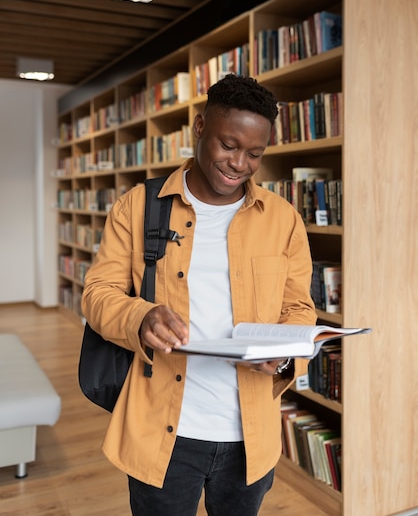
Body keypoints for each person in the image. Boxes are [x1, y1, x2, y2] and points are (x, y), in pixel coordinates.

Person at [82, 73, 316, 516]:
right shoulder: (138, 205)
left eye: (254, 154)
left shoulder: (283, 219)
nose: (239, 164)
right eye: (229, 145)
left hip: (250, 434)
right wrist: (140, 317)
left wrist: (284, 354)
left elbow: (298, 308)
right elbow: (98, 293)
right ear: (199, 126)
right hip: (163, 432)